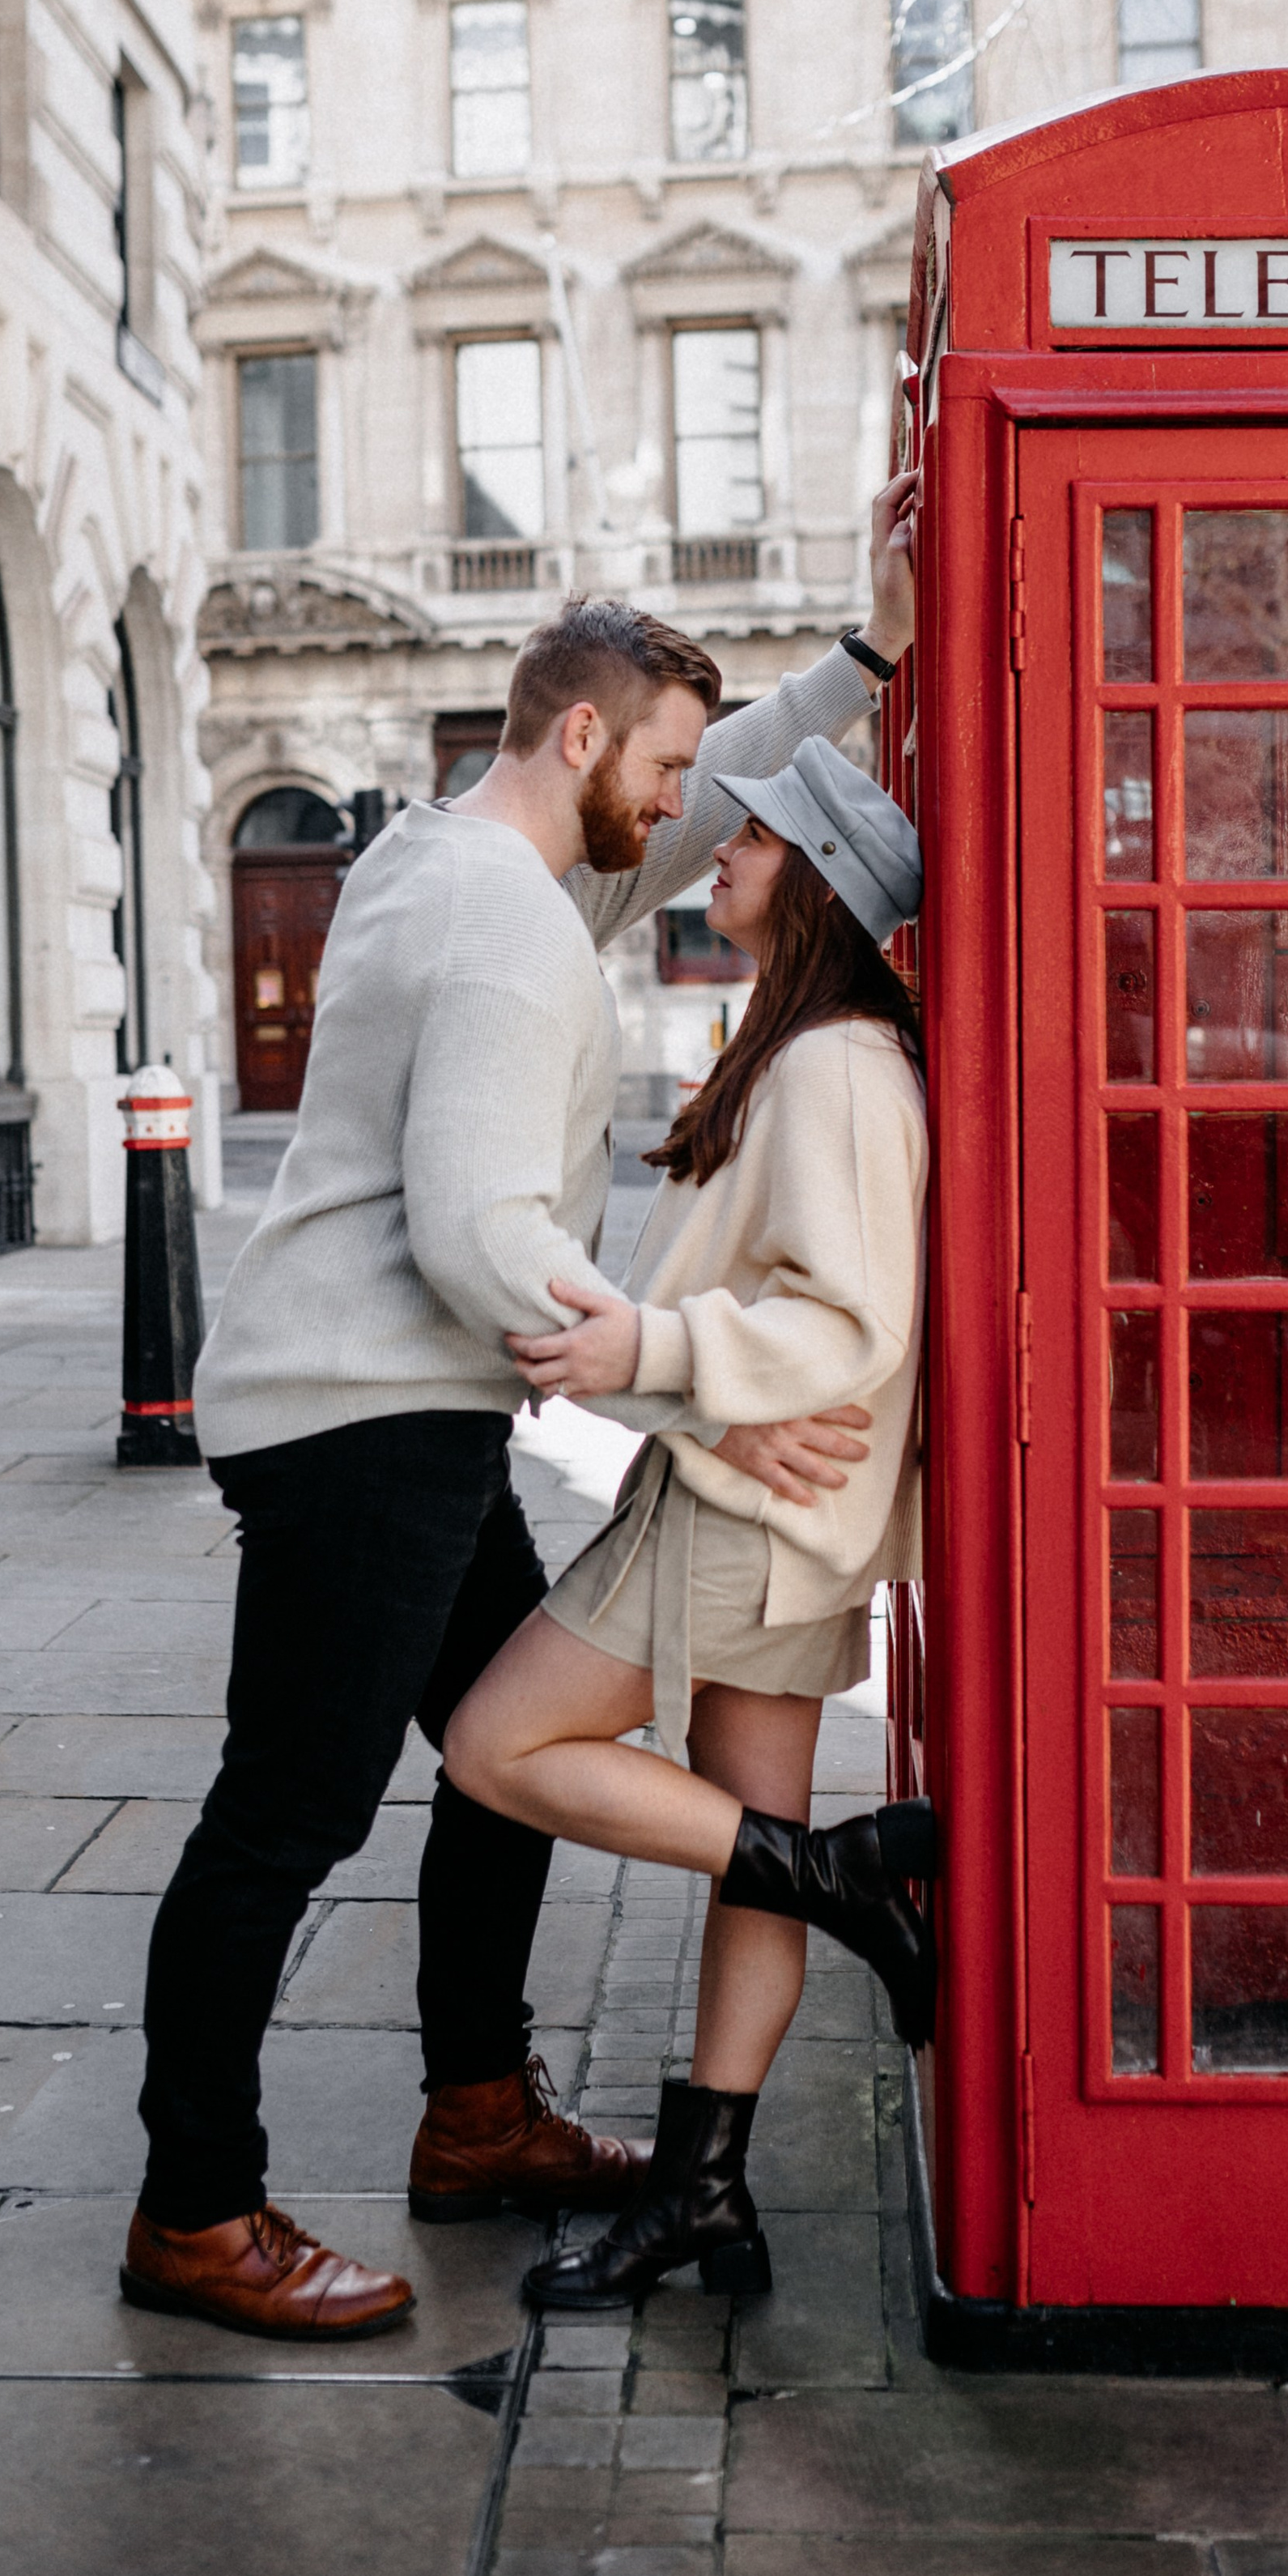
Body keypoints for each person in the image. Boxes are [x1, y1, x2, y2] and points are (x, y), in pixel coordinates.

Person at [118, 479, 916, 2343]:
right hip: (363, 1426)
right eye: (658, 759)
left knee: (497, 1756)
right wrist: (695, 1388)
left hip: (400, 1410)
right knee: (282, 1822)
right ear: (579, 739)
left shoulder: (462, 857)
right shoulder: (505, 931)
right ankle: (195, 2209)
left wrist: (862, 661)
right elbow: (479, 1239)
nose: (684, 800)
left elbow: (729, 811)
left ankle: (477, 2115)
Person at [444, 734, 934, 2310]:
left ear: (820, 887)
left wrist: (649, 1355)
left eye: (759, 835)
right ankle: (704, 2193)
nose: (721, 845)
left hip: (743, 1514)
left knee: (496, 1745)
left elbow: (848, 1321)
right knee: (755, 1867)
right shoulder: (797, 1050)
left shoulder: (834, 1066)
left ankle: (836, 1871)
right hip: (765, 1503)